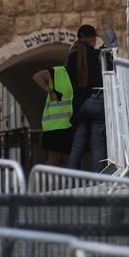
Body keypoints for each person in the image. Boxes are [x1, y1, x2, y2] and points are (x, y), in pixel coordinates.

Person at [66, 25, 107, 172]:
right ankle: (99, 180)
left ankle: (71, 181)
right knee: (98, 145)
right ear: (93, 39)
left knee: (77, 145)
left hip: (80, 105)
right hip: (97, 102)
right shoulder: (98, 55)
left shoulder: (71, 58)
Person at [33, 64, 75, 166]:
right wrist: (49, 90)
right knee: (54, 157)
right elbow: (37, 76)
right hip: (55, 124)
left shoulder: (78, 74)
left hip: (69, 122)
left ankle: (66, 177)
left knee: (68, 157)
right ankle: (50, 177)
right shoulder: (58, 71)